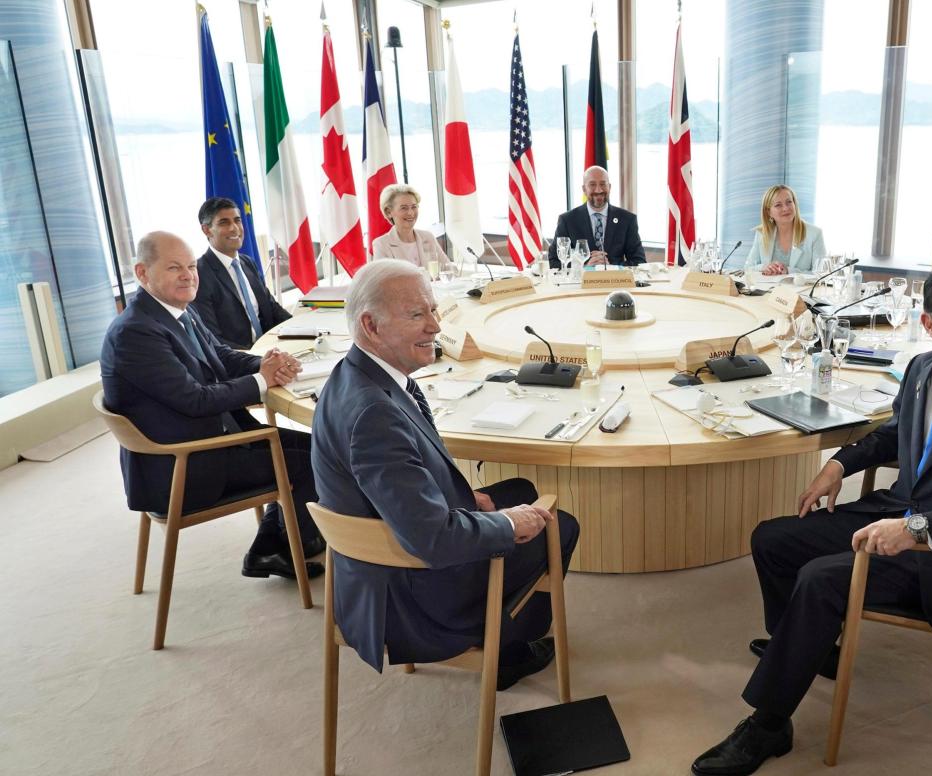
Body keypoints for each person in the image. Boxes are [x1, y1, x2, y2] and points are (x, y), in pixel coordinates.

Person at [692, 259, 932, 776]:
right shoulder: (922, 368)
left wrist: (918, 530)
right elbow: (896, 434)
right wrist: (839, 465)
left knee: (822, 578)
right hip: (899, 509)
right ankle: (808, 648)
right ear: (931, 325)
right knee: (773, 539)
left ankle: (769, 723)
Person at [310, 259, 580, 685]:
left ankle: (503, 637)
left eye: (433, 310)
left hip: (386, 558)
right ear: (370, 325)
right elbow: (432, 540)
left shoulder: (357, 374)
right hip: (411, 594)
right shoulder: (375, 415)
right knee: (558, 525)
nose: (435, 326)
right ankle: (503, 650)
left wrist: (470, 502)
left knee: (520, 488)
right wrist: (507, 525)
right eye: (417, 315)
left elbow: (399, 483)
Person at [100, 231, 324, 581]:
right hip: (184, 466)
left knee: (318, 445)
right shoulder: (136, 333)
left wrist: (264, 364)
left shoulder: (174, 311)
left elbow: (218, 355)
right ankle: (293, 544)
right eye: (175, 267)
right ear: (143, 273)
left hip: (207, 440)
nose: (189, 275)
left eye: (191, 266)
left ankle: (273, 546)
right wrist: (263, 380)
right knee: (316, 459)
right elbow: (196, 399)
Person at [191, 197, 291, 349]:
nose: (234, 228)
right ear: (207, 230)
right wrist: (258, 358)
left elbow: (271, 309)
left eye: (237, 220)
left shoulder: (247, 263)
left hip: (271, 349)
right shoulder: (199, 274)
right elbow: (212, 339)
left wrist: (305, 330)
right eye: (224, 223)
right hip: (240, 361)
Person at [549, 165, 645, 268]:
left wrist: (611, 268)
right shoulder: (567, 220)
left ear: (610, 187)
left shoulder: (627, 219)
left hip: (615, 282)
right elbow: (555, 261)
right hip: (580, 283)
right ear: (584, 189)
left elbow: (639, 261)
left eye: (603, 184)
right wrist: (585, 266)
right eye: (592, 184)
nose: (599, 190)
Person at [742, 185, 826, 275]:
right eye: (778, 205)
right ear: (768, 212)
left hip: (801, 289)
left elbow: (822, 274)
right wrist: (764, 267)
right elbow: (748, 268)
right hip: (769, 289)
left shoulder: (814, 234)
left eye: (789, 202)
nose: (786, 208)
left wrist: (789, 271)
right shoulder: (762, 233)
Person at [369, 183, 452, 270]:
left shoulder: (428, 237)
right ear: (389, 212)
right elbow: (384, 281)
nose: (410, 213)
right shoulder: (381, 244)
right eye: (404, 208)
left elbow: (448, 269)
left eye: (414, 207)